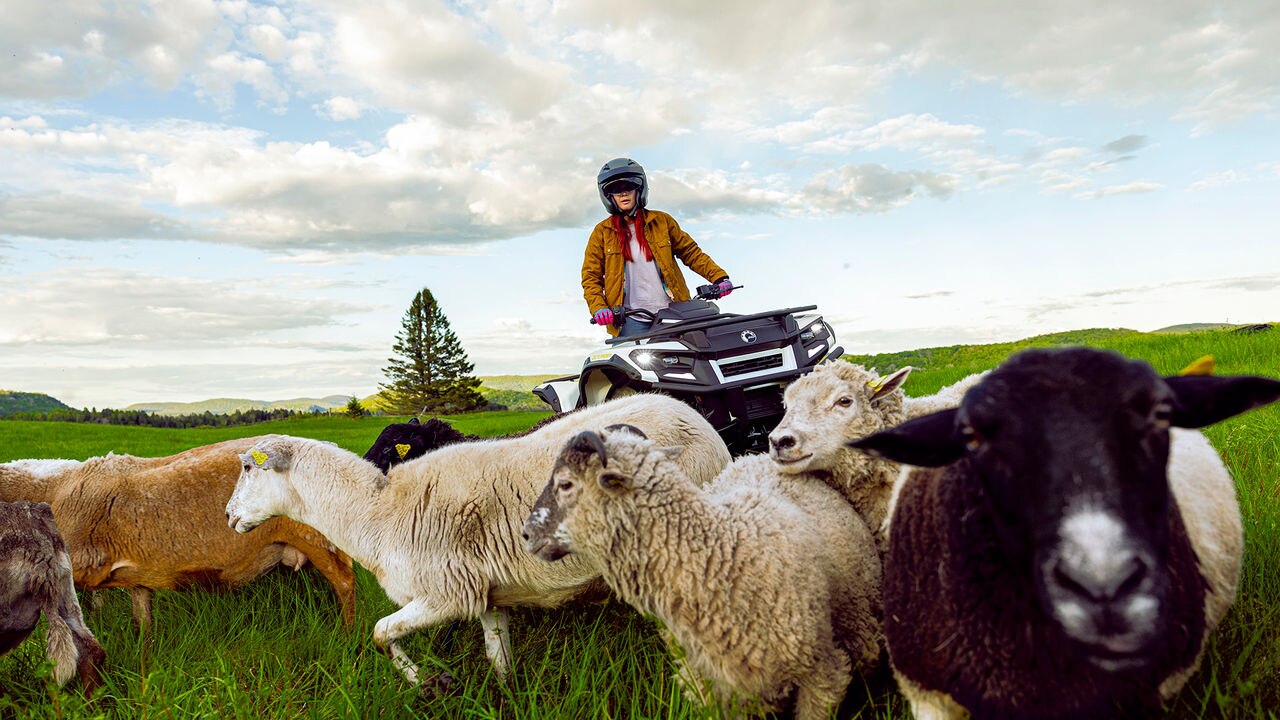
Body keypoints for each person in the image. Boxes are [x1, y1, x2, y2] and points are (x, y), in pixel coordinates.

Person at [582, 157, 733, 338]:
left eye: (628, 187)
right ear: (609, 197)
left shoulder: (662, 221)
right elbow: (591, 277)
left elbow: (691, 253)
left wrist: (719, 277)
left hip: (674, 312)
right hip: (630, 318)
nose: (623, 194)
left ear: (639, 190)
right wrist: (598, 307)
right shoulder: (602, 232)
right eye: (616, 190)